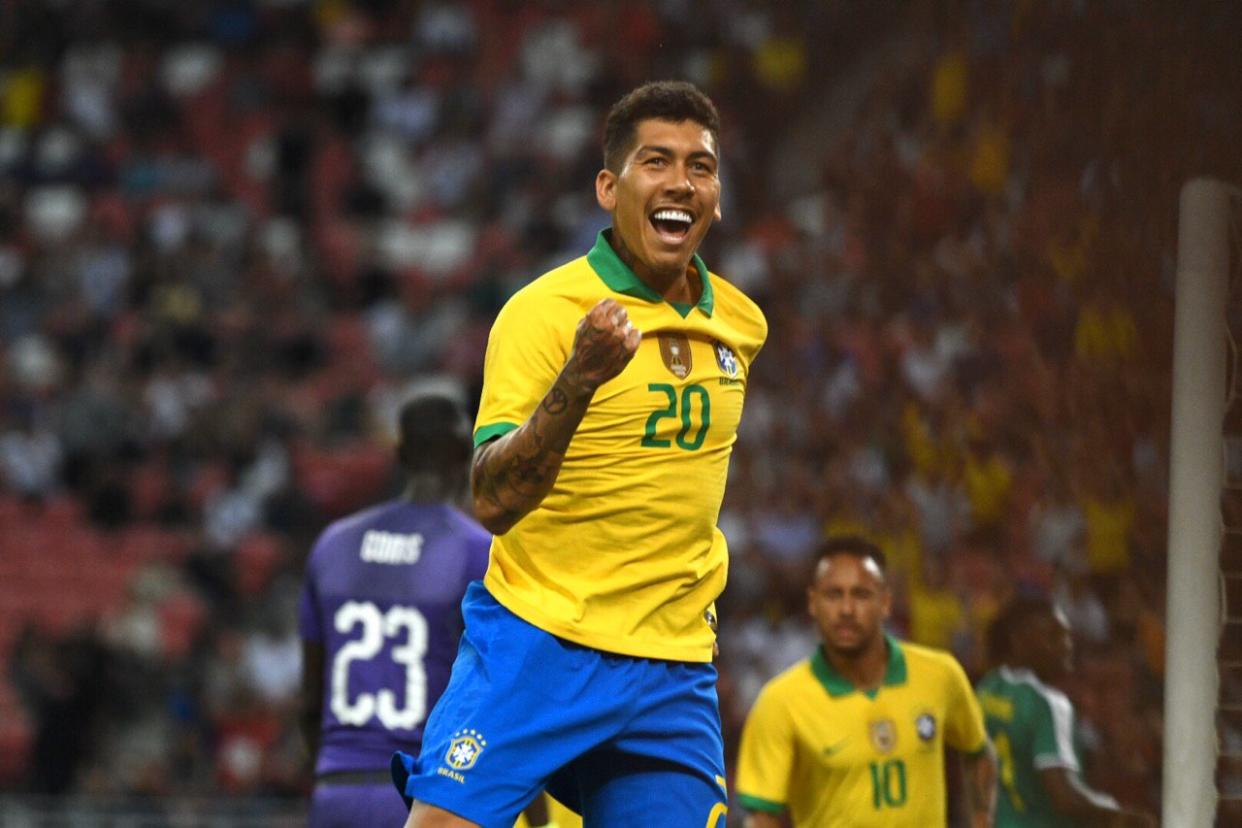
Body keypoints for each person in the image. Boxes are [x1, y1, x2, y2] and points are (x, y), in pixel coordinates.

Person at [392, 80, 767, 828]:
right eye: (656, 161)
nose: (681, 182)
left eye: (701, 166)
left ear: (717, 196)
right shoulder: (541, 315)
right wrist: (582, 375)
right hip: (539, 646)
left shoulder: (742, 322)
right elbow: (494, 501)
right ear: (609, 186)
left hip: (671, 667)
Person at [298, 391, 555, 827]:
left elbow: (309, 702)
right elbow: (507, 694)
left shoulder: (332, 545)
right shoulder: (476, 552)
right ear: (464, 454)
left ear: (399, 454)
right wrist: (540, 817)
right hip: (427, 794)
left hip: (336, 788)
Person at [735, 536, 997, 827]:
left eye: (861, 594)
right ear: (813, 603)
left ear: (885, 602)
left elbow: (978, 753)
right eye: (834, 595)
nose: (847, 609)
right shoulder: (780, 701)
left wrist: (982, 818)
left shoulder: (940, 674)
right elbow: (761, 817)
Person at [975, 595, 1156, 827]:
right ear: (1019, 640)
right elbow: (1064, 798)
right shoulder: (1048, 703)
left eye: (1067, 635)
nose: (1067, 645)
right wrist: (1115, 813)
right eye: (1054, 636)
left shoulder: (987, 688)